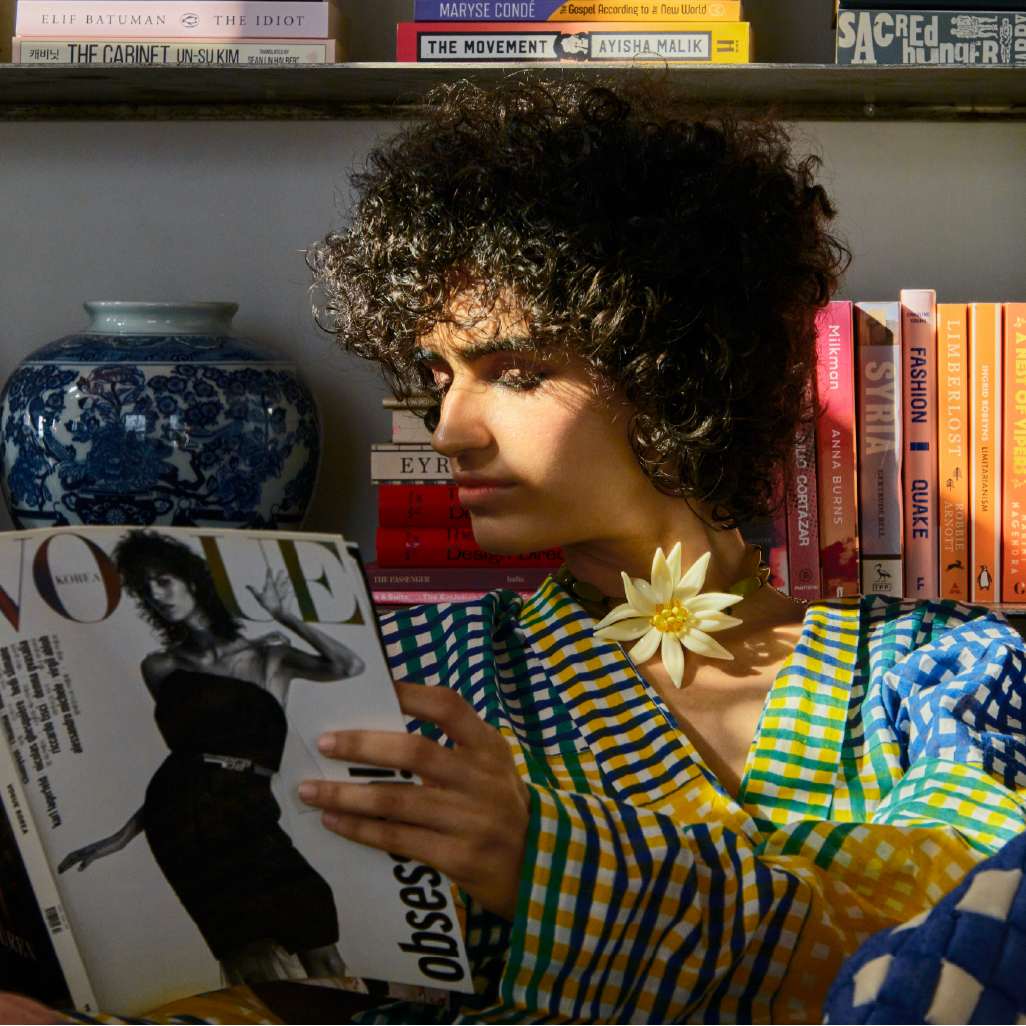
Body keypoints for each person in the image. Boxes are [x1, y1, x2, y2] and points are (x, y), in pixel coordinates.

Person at [4, 73, 1025, 1025]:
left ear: (678, 369)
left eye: (518, 373)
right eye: (438, 373)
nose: (450, 428)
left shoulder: (952, 672)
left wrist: (551, 863)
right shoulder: (405, 680)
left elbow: (918, 969)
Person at [57, 531, 364, 986]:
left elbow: (348, 666)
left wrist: (287, 618)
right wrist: (125, 834)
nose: (157, 595)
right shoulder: (160, 667)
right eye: (146, 589)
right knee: (249, 960)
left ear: (193, 582)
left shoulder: (268, 655)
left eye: (163, 581)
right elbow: (186, 762)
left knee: (315, 920)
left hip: (250, 808)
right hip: (183, 823)